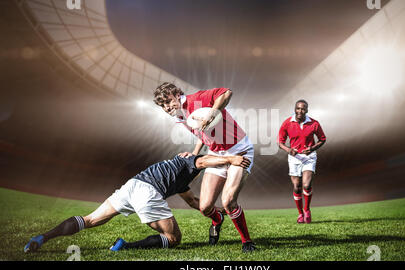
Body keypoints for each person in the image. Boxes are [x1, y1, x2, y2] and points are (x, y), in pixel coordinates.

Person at [24, 154, 250, 252]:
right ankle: (125, 246)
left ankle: (42, 238)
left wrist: (215, 212)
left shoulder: (179, 179)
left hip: (131, 186)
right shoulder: (188, 162)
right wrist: (230, 159)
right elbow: (202, 161)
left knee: (90, 219)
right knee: (173, 239)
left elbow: (193, 202)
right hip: (147, 191)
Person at [153, 82, 256, 252]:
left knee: (228, 201)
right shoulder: (179, 115)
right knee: (205, 207)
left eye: (168, 101)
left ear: (177, 94)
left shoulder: (196, 99)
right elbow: (203, 133)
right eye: (162, 105)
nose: (166, 107)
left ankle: (247, 242)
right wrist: (194, 153)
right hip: (216, 154)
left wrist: (212, 114)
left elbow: (226, 92)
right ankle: (217, 220)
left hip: (239, 150)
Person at [278, 99, 326, 224]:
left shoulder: (314, 123)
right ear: (295, 109)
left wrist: (312, 148)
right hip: (294, 158)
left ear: (307, 110)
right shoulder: (287, 123)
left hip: (309, 157)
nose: (300, 111)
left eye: (303, 109)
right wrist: (289, 150)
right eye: (298, 108)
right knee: (297, 187)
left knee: (306, 185)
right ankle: (300, 214)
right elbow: (280, 143)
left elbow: (322, 139)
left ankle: (307, 210)